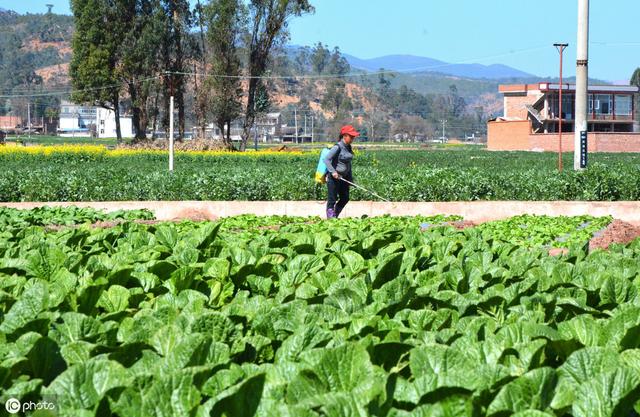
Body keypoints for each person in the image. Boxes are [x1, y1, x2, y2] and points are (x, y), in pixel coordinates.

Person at [323, 125, 359, 219]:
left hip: (344, 177)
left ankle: (335, 215)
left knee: (345, 198)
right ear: (344, 136)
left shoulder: (348, 147)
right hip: (334, 178)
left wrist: (351, 179)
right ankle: (330, 219)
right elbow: (326, 159)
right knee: (332, 199)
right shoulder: (337, 147)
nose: (352, 139)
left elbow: (348, 165)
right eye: (351, 136)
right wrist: (333, 172)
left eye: (353, 137)